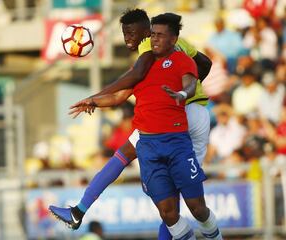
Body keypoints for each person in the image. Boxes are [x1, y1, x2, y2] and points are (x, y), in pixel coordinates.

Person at [49, 8, 212, 239]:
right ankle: (79, 210)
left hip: (178, 115)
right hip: (188, 111)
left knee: (133, 164)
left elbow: (134, 76)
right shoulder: (175, 42)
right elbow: (205, 62)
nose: (128, 40)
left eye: (131, 34)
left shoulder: (149, 45)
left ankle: (79, 210)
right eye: (124, 34)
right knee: (169, 198)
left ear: (147, 31)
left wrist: (96, 95)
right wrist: (189, 83)